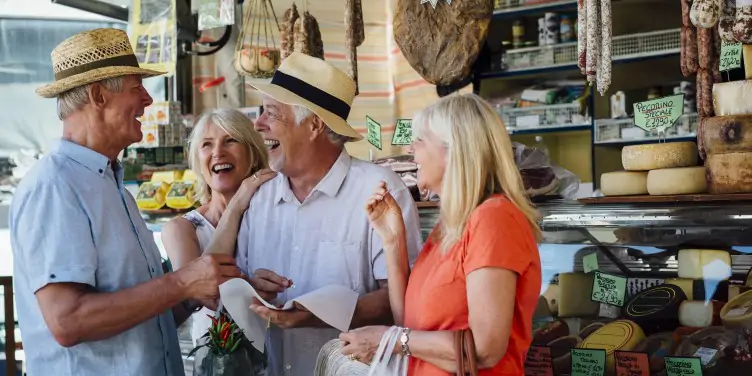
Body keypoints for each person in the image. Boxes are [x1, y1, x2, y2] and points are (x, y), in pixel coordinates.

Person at [10, 28, 240, 376]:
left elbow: (145, 313)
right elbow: (67, 321)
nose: (148, 100)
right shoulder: (55, 187)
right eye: (137, 88)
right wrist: (181, 282)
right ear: (99, 95)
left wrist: (196, 291)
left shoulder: (113, 187)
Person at [235, 52, 424, 375]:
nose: (258, 124)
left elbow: (404, 297)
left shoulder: (379, 191)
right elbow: (240, 283)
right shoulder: (261, 197)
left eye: (271, 113)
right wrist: (254, 287)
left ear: (314, 125)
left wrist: (318, 314)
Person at [340, 93, 543, 375]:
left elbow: (484, 350)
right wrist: (393, 240)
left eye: (420, 140)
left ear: (453, 150)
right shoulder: (450, 226)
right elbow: (409, 325)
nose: (411, 149)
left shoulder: (494, 218)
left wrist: (388, 340)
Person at [161, 108, 276, 348]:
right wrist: (236, 205)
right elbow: (204, 293)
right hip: (221, 363)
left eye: (230, 140)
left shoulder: (273, 214)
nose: (217, 153)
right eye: (207, 145)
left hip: (281, 354)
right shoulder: (182, 229)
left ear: (253, 154)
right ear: (198, 162)